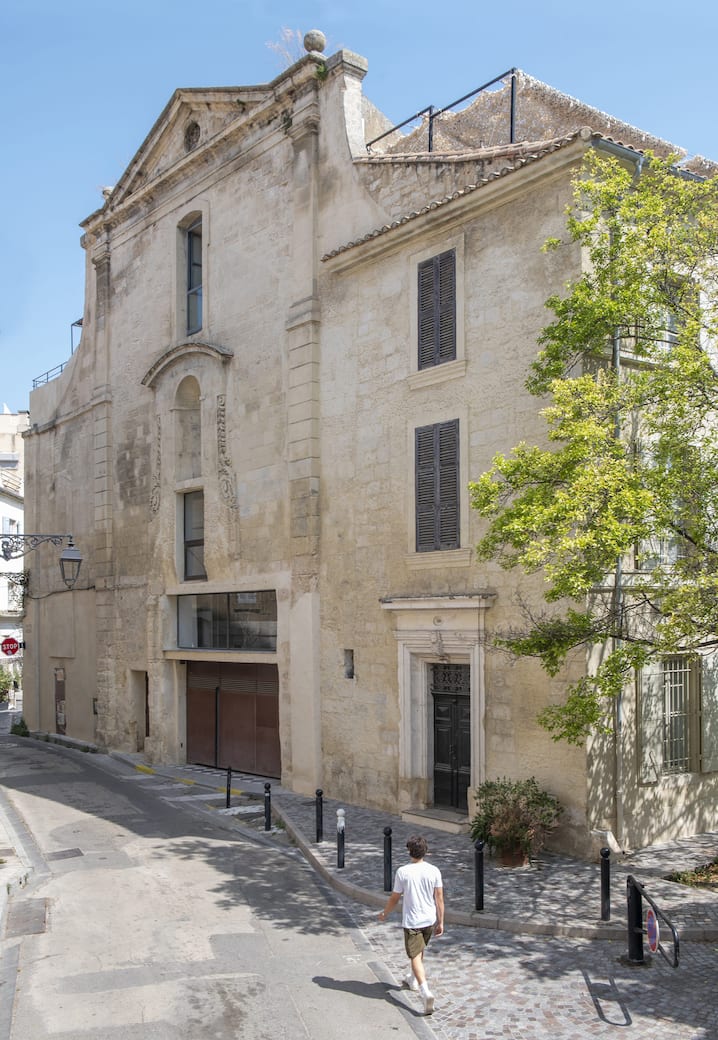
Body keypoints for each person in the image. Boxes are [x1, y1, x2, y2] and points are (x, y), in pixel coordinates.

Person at [378, 834, 444, 1015]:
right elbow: (439, 899)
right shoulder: (434, 871)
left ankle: (425, 991)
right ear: (425, 851)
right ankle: (413, 979)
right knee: (419, 950)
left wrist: (385, 913)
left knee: (414, 955)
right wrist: (441, 921)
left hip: (413, 921)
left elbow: (394, 897)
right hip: (429, 920)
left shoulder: (403, 872)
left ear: (409, 852)